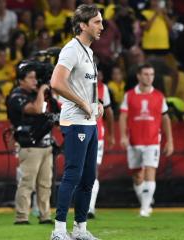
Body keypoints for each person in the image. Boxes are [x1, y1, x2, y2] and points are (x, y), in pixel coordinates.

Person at [49, 4, 104, 240]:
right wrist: (82, 102)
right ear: (83, 25)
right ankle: (59, 229)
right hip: (75, 121)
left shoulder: (89, 52)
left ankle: (80, 229)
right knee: (72, 174)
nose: (102, 26)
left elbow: (85, 85)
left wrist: (97, 101)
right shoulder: (71, 49)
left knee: (88, 178)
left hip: (91, 122)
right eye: (97, 22)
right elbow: (56, 82)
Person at [119, 63, 174, 217]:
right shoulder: (129, 95)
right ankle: (146, 201)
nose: (149, 77)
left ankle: (144, 209)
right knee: (137, 176)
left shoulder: (159, 96)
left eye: (151, 74)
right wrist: (123, 136)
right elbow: (123, 116)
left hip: (152, 141)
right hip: (134, 141)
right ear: (138, 76)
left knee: (150, 170)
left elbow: (165, 118)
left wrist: (169, 140)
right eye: (146, 74)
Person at [7, 63, 54, 225]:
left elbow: (51, 112)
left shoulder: (36, 94)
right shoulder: (16, 96)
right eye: (31, 78)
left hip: (45, 144)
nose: (35, 81)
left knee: (45, 184)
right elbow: (37, 109)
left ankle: (45, 215)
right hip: (29, 146)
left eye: (36, 77)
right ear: (21, 81)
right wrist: (42, 90)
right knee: (27, 183)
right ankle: (22, 217)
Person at [87, 70, 115, 219]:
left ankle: (90, 207)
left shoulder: (103, 88)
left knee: (93, 169)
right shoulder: (74, 85)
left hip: (98, 135)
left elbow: (109, 112)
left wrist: (111, 134)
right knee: (79, 170)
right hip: (79, 133)